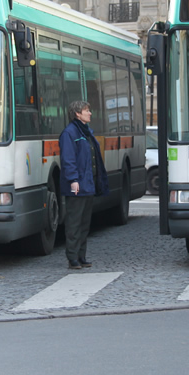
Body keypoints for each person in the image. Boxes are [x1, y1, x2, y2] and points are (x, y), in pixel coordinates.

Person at [58, 100, 109, 270]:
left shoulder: (86, 132)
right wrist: (73, 181)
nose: (90, 113)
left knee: (84, 223)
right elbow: (68, 159)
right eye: (87, 110)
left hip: (87, 184)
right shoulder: (70, 133)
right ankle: (72, 257)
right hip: (78, 185)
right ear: (77, 114)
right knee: (74, 222)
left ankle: (81, 255)